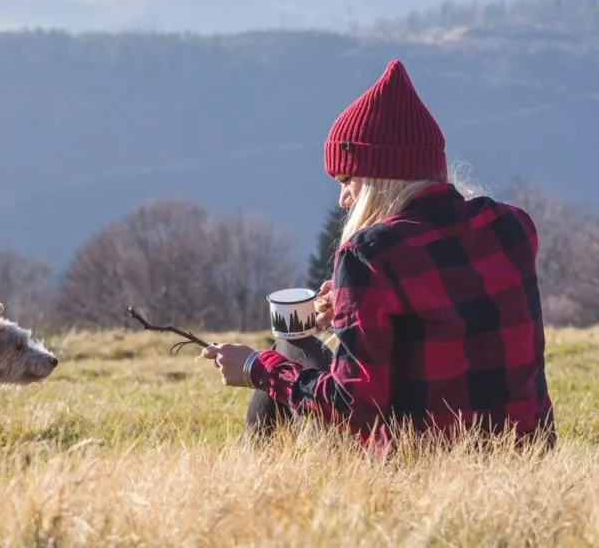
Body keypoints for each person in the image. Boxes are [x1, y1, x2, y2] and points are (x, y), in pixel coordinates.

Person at [203, 59, 555, 452]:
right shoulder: (513, 226)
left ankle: (252, 475)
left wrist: (254, 367)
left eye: (346, 179)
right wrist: (355, 301)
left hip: (421, 464)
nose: (343, 198)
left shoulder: (369, 255)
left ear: (378, 177)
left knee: (288, 349)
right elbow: (455, 308)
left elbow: (351, 406)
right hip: (528, 452)